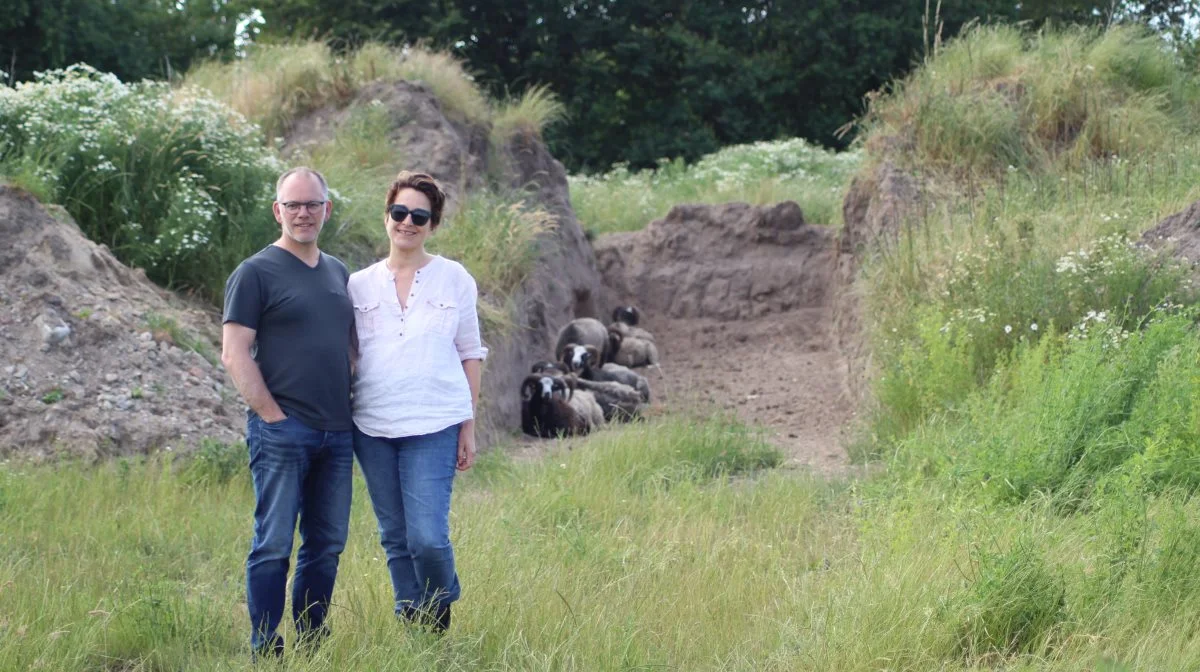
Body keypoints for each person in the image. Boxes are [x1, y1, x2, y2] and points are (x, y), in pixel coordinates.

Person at [220, 167, 355, 657]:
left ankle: (313, 643)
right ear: (277, 210)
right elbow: (234, 353)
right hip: (282, 432)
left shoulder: (339, 272)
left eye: (312, 204)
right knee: (274, 543)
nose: (303, 213)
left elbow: (349, 348)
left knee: (326, 546)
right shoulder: (255, 272)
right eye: (293, 205)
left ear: (326, 209)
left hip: (338, 435)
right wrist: (272, 416)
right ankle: (265, 645)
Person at [349, 171, 486, 633]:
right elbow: (347, 355)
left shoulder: (454, 278)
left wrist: (468, 425)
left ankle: (440, 605)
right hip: (372, 426)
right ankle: (417, 629)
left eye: (419, 216)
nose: (407, 222)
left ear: (433, 224)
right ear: (386, 216)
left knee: (426, 538)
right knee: (395, 537)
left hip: (435, 423)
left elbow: (470, 352)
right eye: (399, 212)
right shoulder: (358, 284)